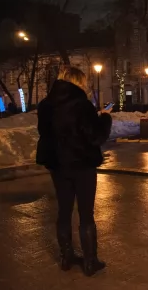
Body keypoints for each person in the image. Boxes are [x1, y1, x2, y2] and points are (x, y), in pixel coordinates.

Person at [36, 66, 113, 276]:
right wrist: (104, 118)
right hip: (82, 165)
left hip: (58, 166)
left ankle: (66, 257)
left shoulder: (46, 105)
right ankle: (90, 261)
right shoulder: (82, 105)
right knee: (86, 214)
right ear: (79, 82)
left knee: (64, 211)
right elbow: (96, 137)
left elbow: (44, 133)